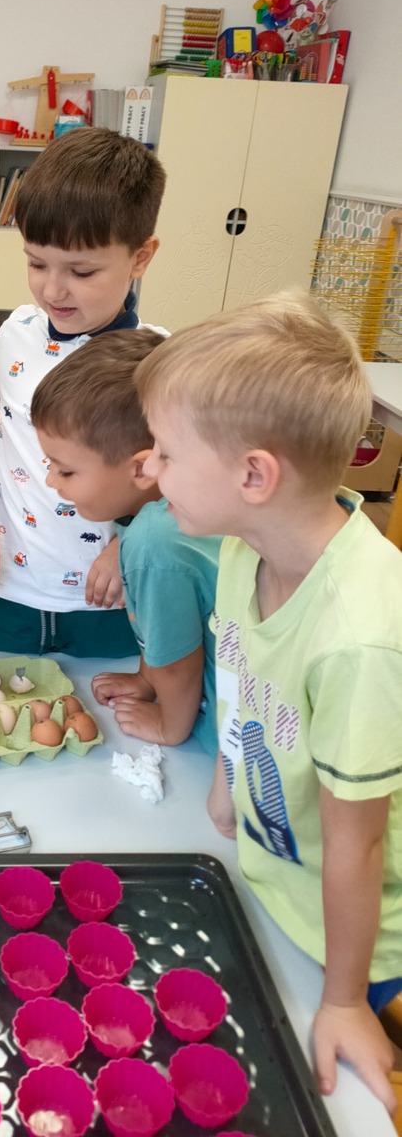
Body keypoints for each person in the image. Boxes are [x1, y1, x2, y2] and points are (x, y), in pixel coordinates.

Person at [134, 291, 402, 1114]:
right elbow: (244, 681)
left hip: (362, 945)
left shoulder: (360, 637)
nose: (150, 469)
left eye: (167, 452)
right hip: (270, 879)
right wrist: (228, 786)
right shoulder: (243, 550)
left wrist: (347, 999)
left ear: (254, 475)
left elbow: (358, 844)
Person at [0, 126, 167, 657]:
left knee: (101, 704)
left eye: (81, 270)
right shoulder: (14, 334)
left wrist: (127, 546)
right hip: (8, 584)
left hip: (109, 596)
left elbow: (183, 483)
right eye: (36, 263)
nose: (52, 289)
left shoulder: (162, 365)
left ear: (140, 257)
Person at [31, 329, 221, 753]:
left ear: (139, 469)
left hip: (225, 724)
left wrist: (169, 725)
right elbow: (166, 624)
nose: (50, 481)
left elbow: (179, 662)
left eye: (65, 470)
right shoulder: (146, 510)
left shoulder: (154, 542)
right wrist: (146, 680)